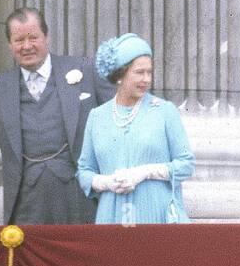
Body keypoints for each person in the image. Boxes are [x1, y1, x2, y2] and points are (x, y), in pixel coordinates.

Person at [0, 7, 114, 223]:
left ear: (47, 37)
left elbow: (119, 124)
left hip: (82, 201)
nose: (27, 46)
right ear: (10, 45)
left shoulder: (86, 71)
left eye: (33, 37)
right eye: (19, 40)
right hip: (26, 207)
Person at [76, 33, 194, 224]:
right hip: (111, 216)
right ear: (120, 75)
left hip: (156, 214)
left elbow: (186, 164)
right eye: (139, 72)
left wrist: (145, 172)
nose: (146, 79)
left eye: (149, 72)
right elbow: (84, 171)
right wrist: (106, 182)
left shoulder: (165, 111)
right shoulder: (97, 117)